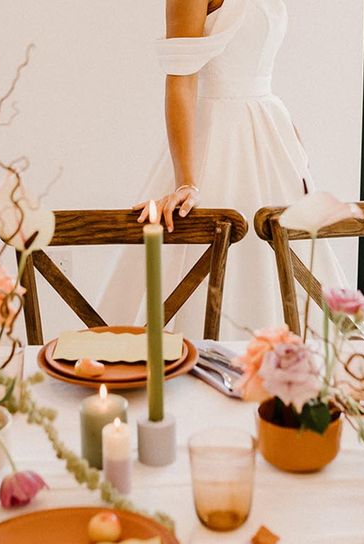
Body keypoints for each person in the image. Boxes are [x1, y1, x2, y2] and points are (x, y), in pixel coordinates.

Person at [98, 0, 348, 339]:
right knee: (202, 265)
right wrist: (187, 181)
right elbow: (180, 80)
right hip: (215, 141)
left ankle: (280, 371)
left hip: (271, 140)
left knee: (291, 270)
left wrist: (293, 143)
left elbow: (258, 67)